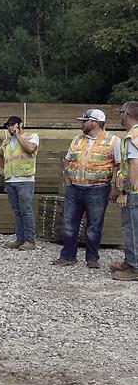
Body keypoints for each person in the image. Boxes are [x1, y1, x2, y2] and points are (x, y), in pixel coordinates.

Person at [53, 109, 120, 269]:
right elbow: (67, 160)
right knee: (69, 224)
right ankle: (67, 256)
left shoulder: (113, 141)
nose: (82, 124)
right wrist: (67, 179)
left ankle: (92, 258)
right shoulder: (77, 139)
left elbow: (119, 166)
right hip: (74, 189)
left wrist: (115, 188)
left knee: (94, 226)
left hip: (98, 189)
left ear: (95, 122)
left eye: (85, 121)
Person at [0, 116, 39, 250]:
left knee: (26, 210)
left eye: (13, 125)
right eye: (8, 126)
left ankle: (30, 240)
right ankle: (20, 239)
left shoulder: (32, 136)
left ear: (21, 125)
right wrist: (0, 170)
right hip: (10, 180)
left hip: (25, 180)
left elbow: (30, 149)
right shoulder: (7, 142)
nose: (10, 128)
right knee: (17, 211)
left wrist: (18, 135)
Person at [113, 101, 138, 281]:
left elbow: (134, 165)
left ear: (126, 114)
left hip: (134, 193)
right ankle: (131, 261)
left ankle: (134, 267)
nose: (120, 116)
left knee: (131, 230)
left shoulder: (132, 137)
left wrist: (125, 192)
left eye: (121, 113)